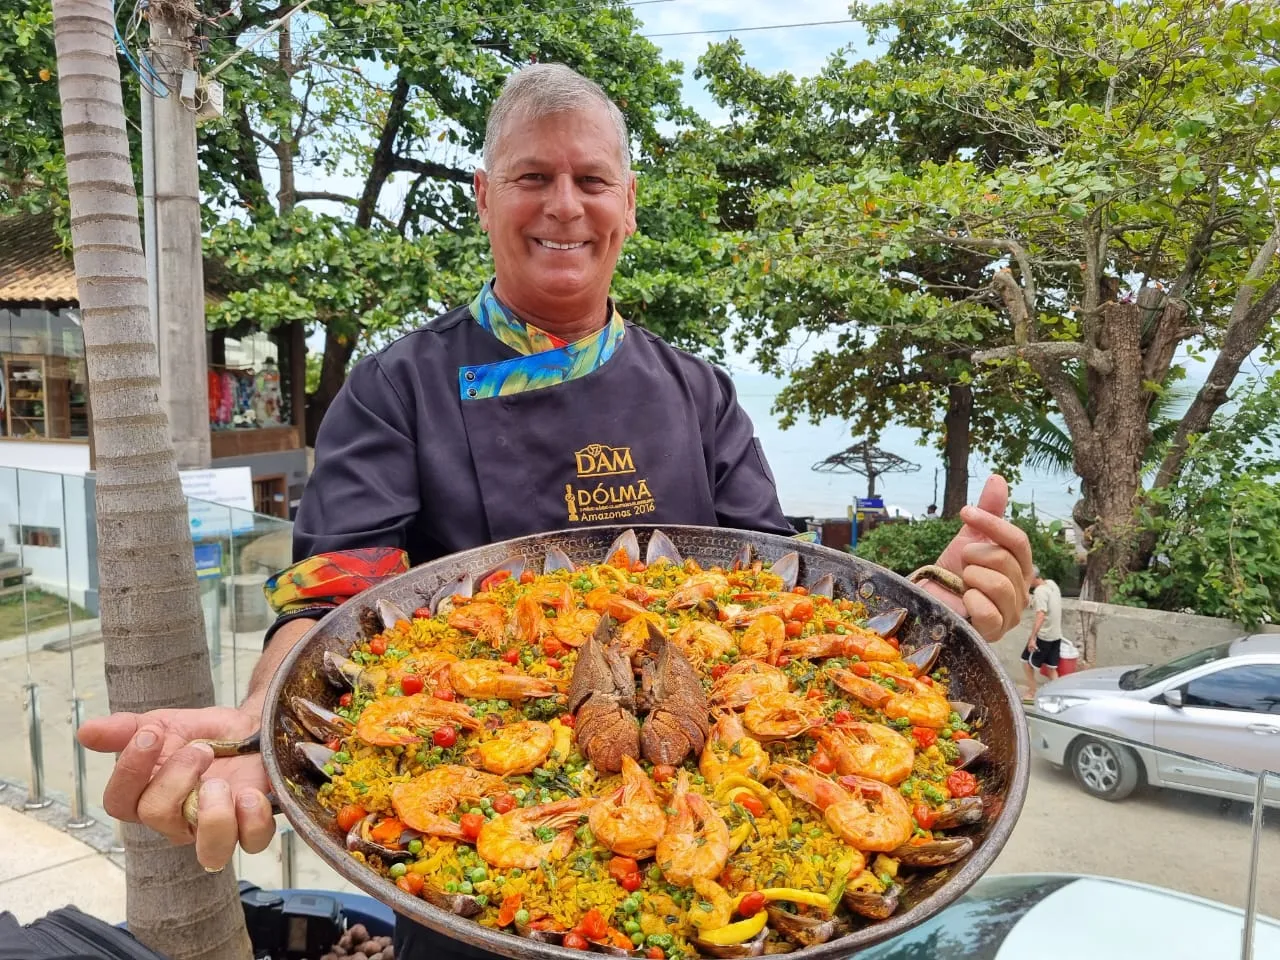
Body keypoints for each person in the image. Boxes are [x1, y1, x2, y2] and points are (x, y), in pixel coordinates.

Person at [76, 64, 1033, 960]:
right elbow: (329, 605)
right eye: (533, 176)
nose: (565, 206)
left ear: (627, 203)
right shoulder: (392, 389)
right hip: (479, 926)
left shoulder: (698, 391)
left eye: (593, 179)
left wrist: (937, 598)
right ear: (486, 196)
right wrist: (263, 720)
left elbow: (783, 586)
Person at [1021, 566, 1066, 696]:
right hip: (1056, 635)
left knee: (1026, 662)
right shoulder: (1052, 584)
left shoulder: (1040, 592)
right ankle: (1059, 694)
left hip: (1044, 636)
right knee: (1052, 669)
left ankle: (1032, 692)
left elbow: (1041, 615)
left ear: (1032, 578)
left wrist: (1033, 638)